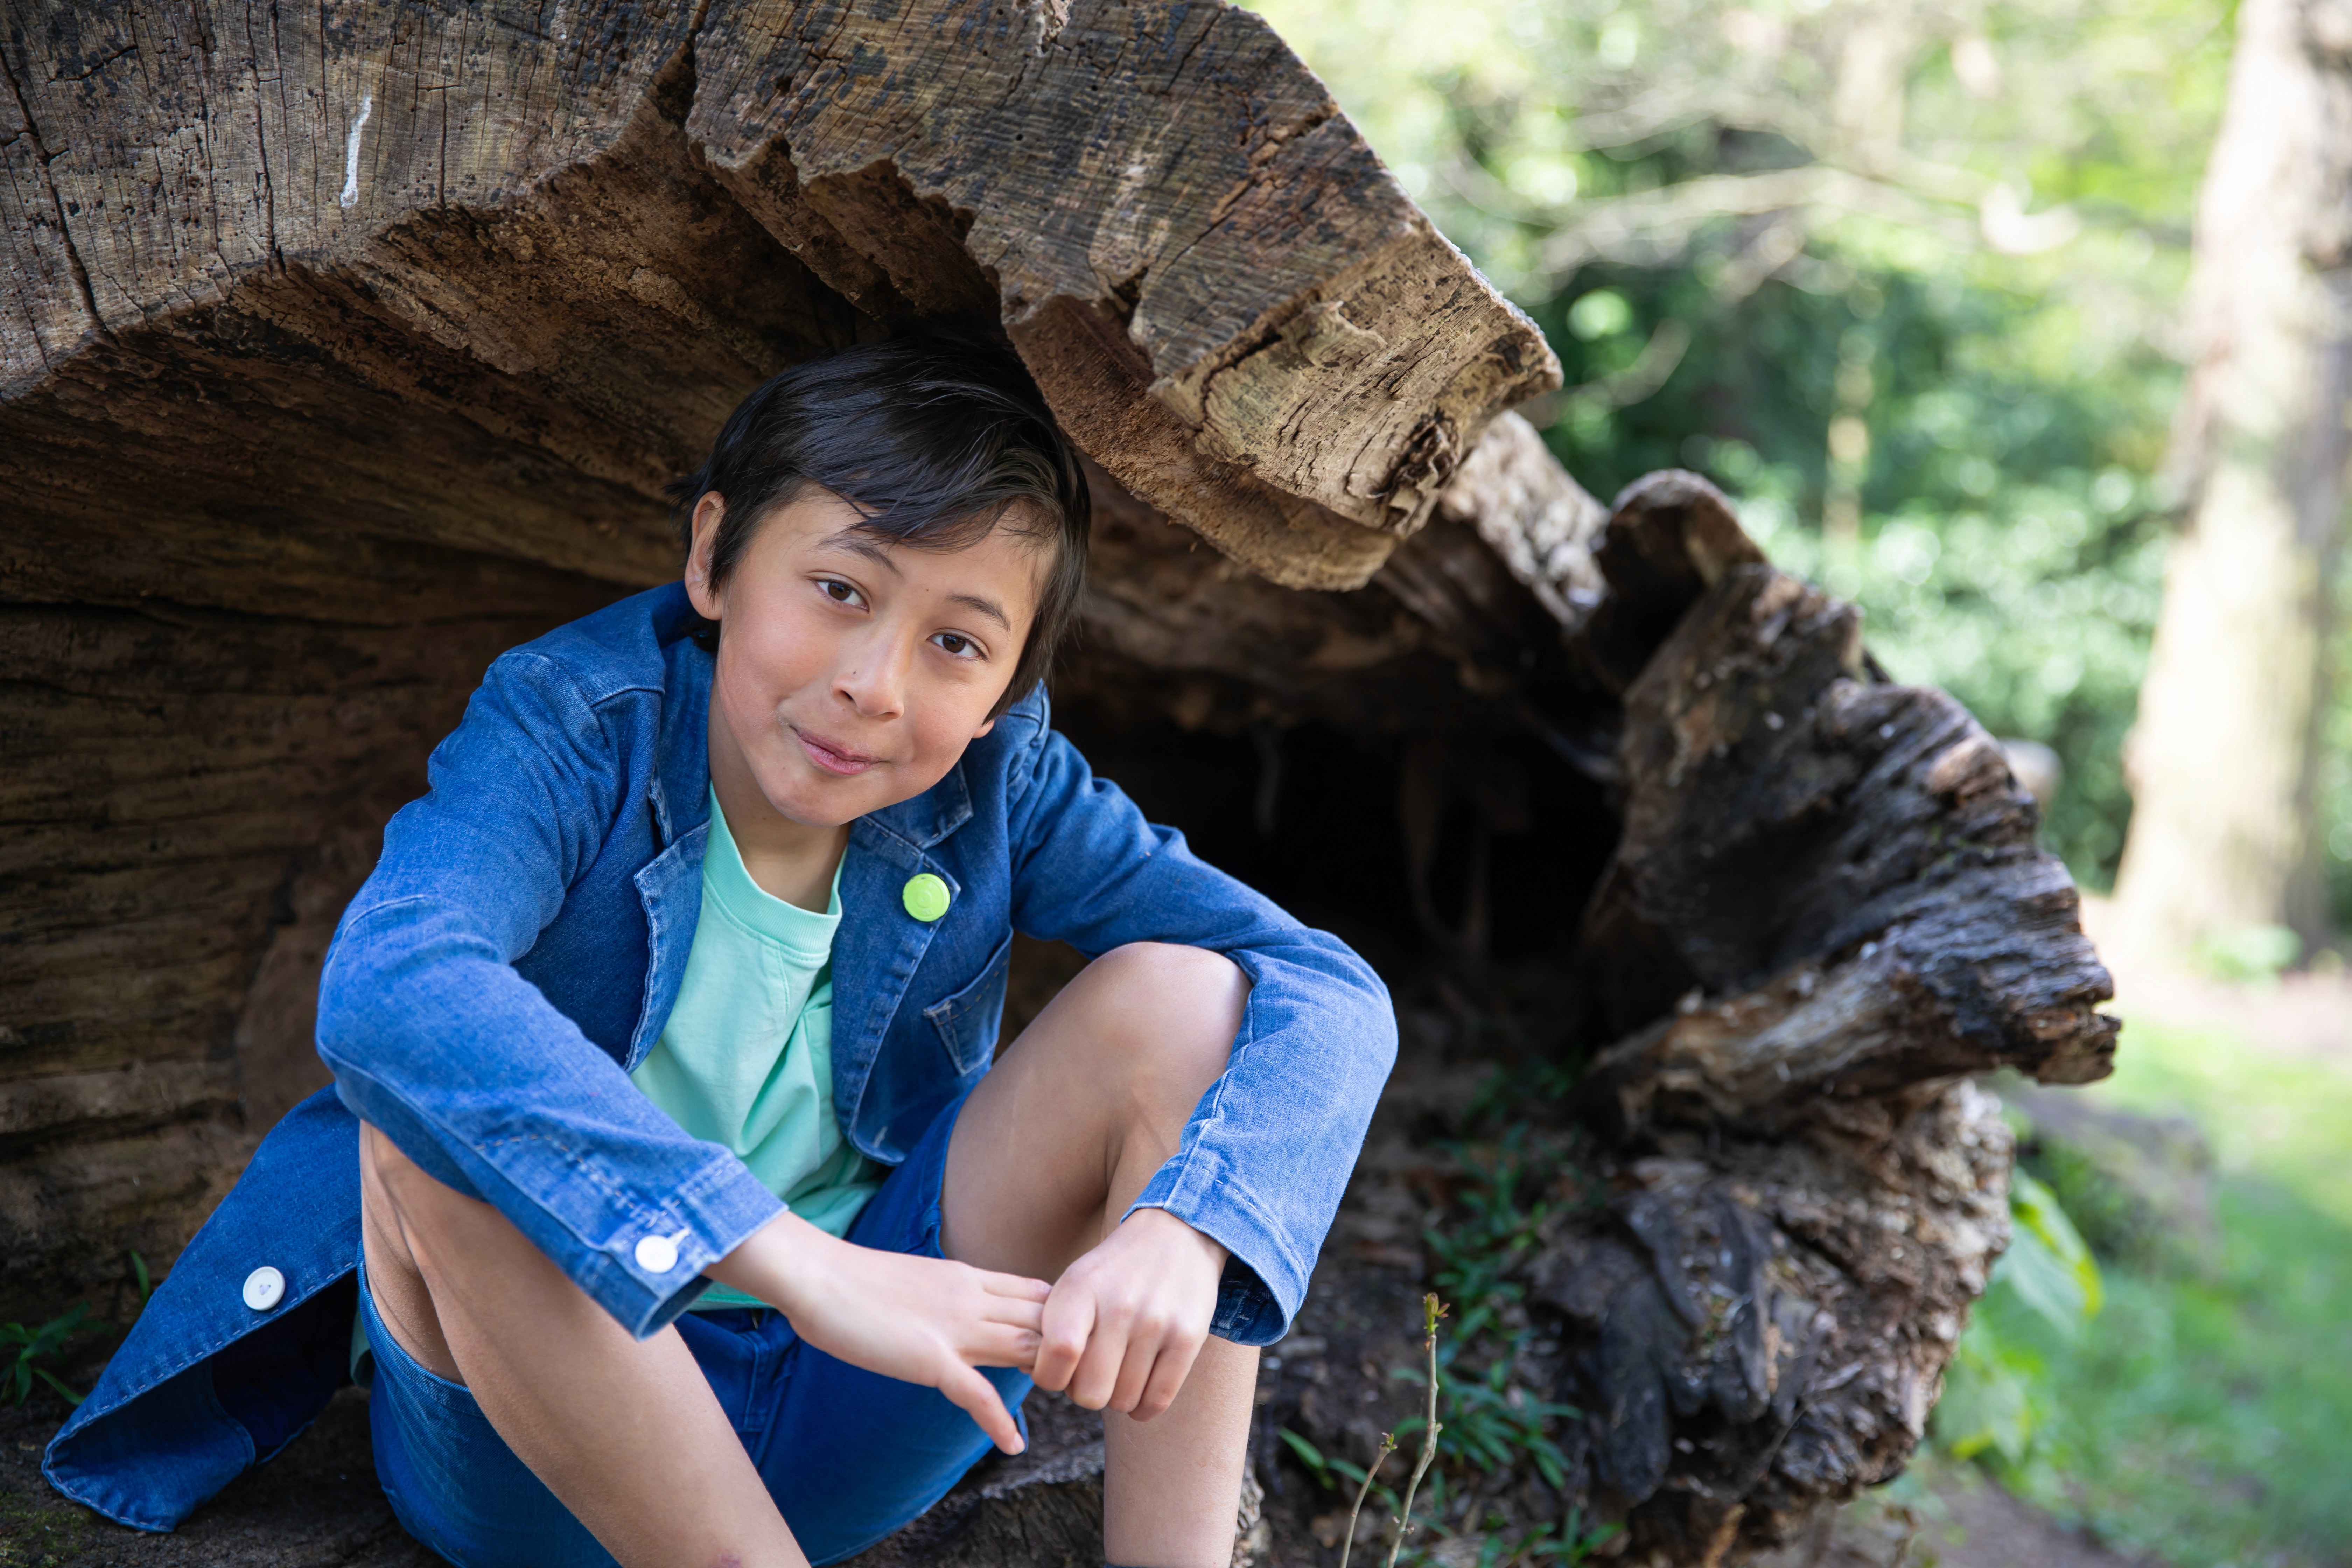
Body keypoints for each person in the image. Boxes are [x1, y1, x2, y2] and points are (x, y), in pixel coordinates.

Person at [44, 332, 1398, 1568]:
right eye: (839, 588)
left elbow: (1326, 988)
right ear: (713, 558)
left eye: (957, 643)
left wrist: (1191, 1225)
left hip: (867, 1400)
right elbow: (391, 989)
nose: (875, 683)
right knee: (427, 1123)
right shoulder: (577, 722)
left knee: (1188, 998)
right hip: (546, 1451)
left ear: (1009, 692)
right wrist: (791, 1260)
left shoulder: (1003, 785)